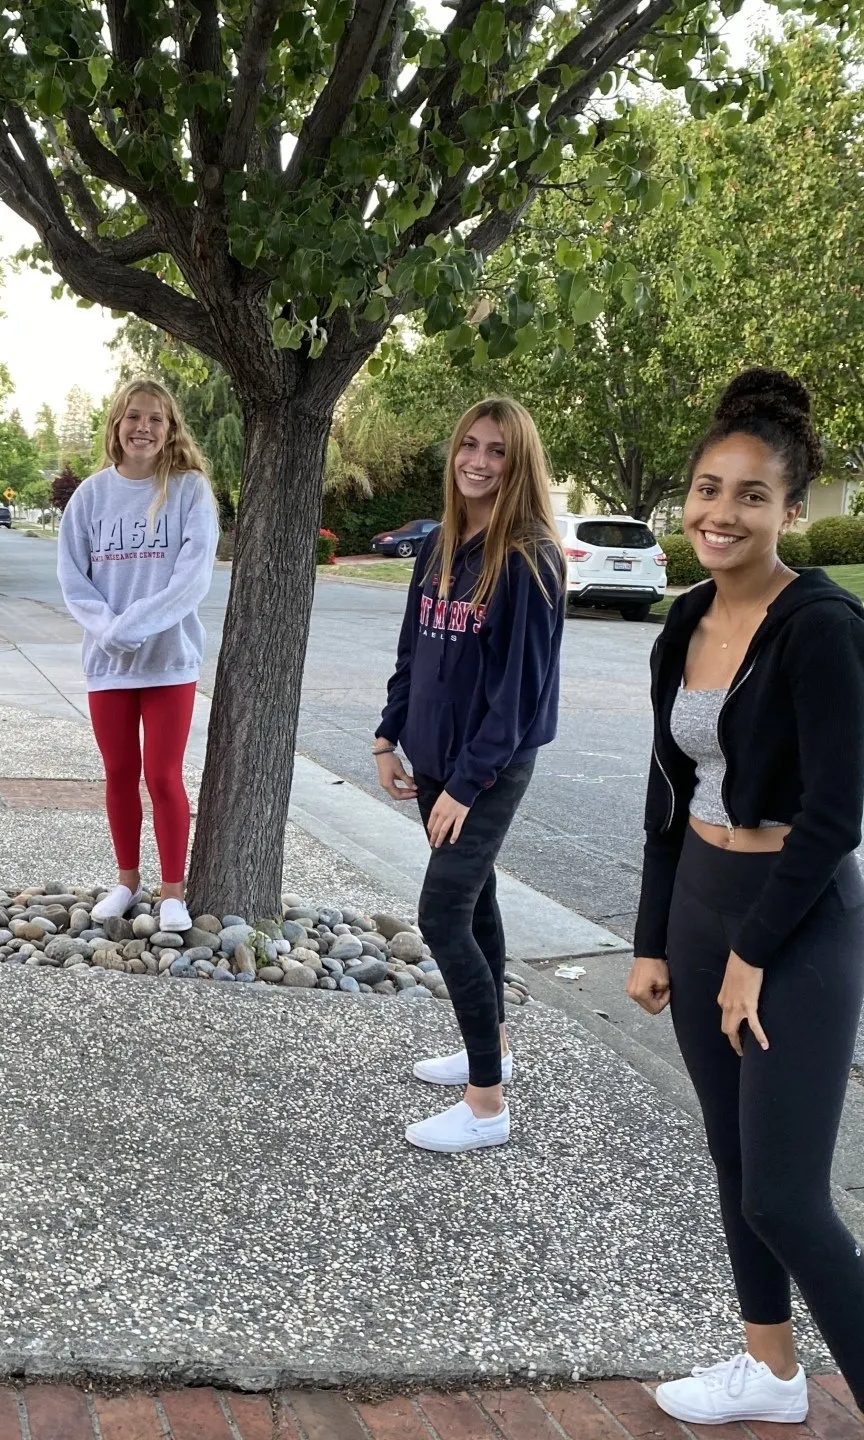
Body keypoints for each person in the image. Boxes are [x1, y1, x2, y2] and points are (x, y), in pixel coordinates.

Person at [627, 369, 864, 1432]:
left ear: (789, 511)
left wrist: (751, 954)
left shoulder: (822, 626)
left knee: (786, 1197)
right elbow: (667, 793)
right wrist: (653, 939)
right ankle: (771, 1373)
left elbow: (834, 818)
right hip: (700, 902)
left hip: (797, 921)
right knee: (735, 1157)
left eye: (753, 495)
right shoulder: (685, 619)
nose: (723, 513)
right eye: (709, 489)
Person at [374, 397, 564, 1154]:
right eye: (470, 445)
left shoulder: (530, 558)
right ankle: (495, 1046)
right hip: (432, 757)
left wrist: (464, 786)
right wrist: (388, 735)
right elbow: (412, 654)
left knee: (444, 913)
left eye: (498, 451)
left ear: (520, 465)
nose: (479, 462)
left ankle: (486, 1104)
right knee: (477, 900)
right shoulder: (439, 545)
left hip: (487, 767)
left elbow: (518, 695)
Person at [57, 378, 218, 933]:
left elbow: (192, 579)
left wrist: (133, 626)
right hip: (108, 664)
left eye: (155, 418)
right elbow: (73, 579)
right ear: (116, 425)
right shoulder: (90, 496)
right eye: (133, 416)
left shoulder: (189, 490)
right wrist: (111, 632)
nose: (143, 428)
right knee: (119, 773)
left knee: (164, 775)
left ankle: (172, 891)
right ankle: (127, 882)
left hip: (170, 659)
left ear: (170, 429)